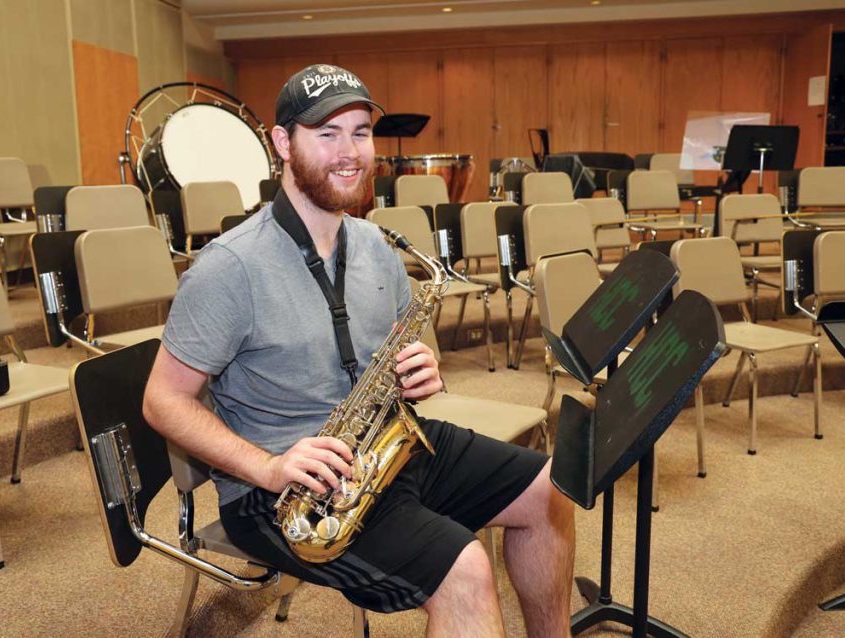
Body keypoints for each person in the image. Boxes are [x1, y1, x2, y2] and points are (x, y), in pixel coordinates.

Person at [143, 63, 575, 637]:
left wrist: (425, 368)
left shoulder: (374, 243)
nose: (349, 152)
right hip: (288, 492)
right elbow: (162, 402)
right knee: (466, 569)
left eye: (360, 132)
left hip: (385, 447)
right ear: (282, 143)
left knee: (550, 490)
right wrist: (270, 468)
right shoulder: (229, 268)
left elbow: (403, 348)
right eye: (327, 134)